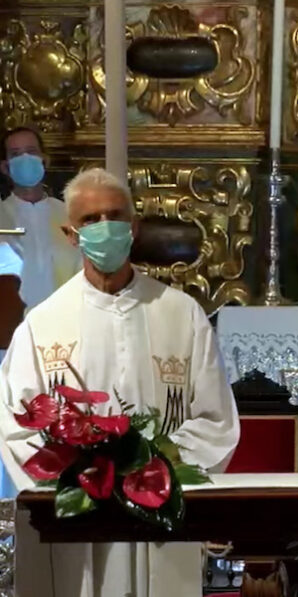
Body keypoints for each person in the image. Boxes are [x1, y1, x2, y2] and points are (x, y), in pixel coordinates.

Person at [0, 168, 240, 597]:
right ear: (71, 235)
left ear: (133, 227)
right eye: (90, 220)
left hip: (158, 505)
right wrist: (79, 474)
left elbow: (215, 417)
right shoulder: (42, 325)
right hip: (76, 520)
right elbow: (17, 425)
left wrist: (149, 465)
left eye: (115, 216)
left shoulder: (181, 315)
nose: (104, 227)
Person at [0, 126, 81, 309]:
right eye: (16, 154)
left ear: (44, 161)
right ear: (5, 167)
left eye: (31, 151)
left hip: (65, 315)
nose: (25, 159)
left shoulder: (70, 214)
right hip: (11, 320)